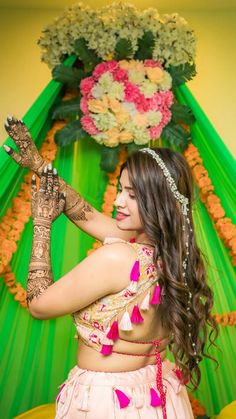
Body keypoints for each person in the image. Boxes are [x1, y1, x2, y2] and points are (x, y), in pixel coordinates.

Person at [3, 116, 218, 419]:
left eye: (132, 195)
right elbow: (87, 215)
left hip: (110, 403)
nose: (118, 201)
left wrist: (41, 222)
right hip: (157, 395)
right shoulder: (171, 253)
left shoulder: (118, 258)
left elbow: (39, 305)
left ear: (158, 202)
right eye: (121, 188)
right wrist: (39, 166)